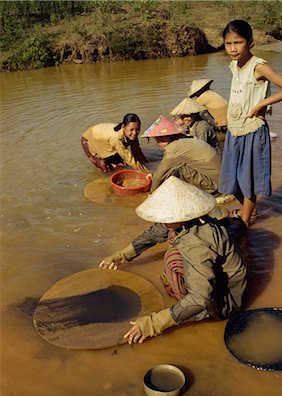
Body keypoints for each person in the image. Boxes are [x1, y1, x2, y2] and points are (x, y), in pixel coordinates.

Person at [99, 176, 247, 344]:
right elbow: (153, 234)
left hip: (224, 303)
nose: (161, 219)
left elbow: (201, 298)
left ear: (176, 217)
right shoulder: (192, 217)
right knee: (174, 249)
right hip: (222, 274)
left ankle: (186, 303)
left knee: (172, 259)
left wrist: (154, 323)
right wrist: (122, 255)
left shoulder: (196, 244)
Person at [219, 20, 282, 225]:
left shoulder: (259, 66)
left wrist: (262, 103)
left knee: (248, 176)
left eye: (239, 42)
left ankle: (246, 220)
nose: (233, 48)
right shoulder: (235, 65)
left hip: (253, 130)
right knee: (233, 175)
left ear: (250, 42)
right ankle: (249, 212)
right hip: (235, 129)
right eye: (229, 44)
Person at [142, 115, 221, 195]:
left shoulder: (173, 148)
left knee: (175, 172)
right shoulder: (185, 139)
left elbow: (159, 176)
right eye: (157, 140)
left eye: (163, 139)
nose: (160, 143)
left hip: (213, 184)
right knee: (172, 169)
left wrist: (151, 194)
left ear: (170, 135)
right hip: (220, 179)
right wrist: (153, 174)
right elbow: (163, 168)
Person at [81, 113, 149, 173]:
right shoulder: (115, 138)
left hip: (105, 139)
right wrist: (147, 173)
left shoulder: (132, 134)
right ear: (123, 127)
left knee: (121, 165)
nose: (134, 133)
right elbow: (129, 158)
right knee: (105, 169)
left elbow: (137, 152)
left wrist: (147, 165)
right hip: (89, 140)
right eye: (131, 130)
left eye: (137, 129)